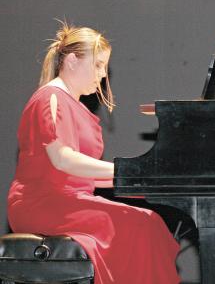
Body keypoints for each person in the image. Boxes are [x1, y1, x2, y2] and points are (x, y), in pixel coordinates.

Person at [7, 23, 180, 283]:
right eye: (98, 65)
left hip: (67, 201)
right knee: (142, 225)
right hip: (42, 203)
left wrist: (141, 180)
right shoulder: (50, 97)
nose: (102, 75)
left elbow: (83, 177)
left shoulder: (74, 106)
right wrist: (128, 171)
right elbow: (62, 159)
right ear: (73, 61)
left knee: (150, 222)